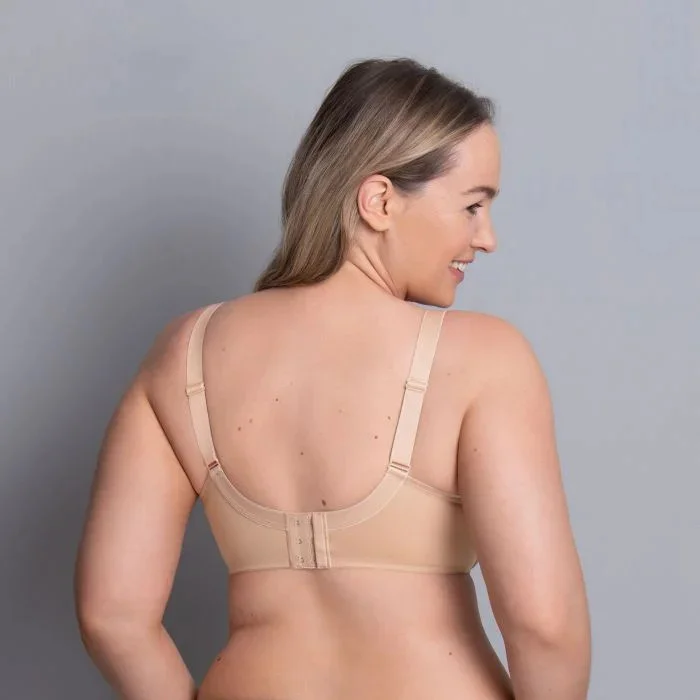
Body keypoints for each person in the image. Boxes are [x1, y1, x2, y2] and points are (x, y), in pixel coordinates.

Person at [74, 57, 591, 700]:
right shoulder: (483, 359)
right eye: (472, 206)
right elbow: (545, 627)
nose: (486, 238)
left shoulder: (182, 355)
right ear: (380, 201)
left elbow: (112, 616)